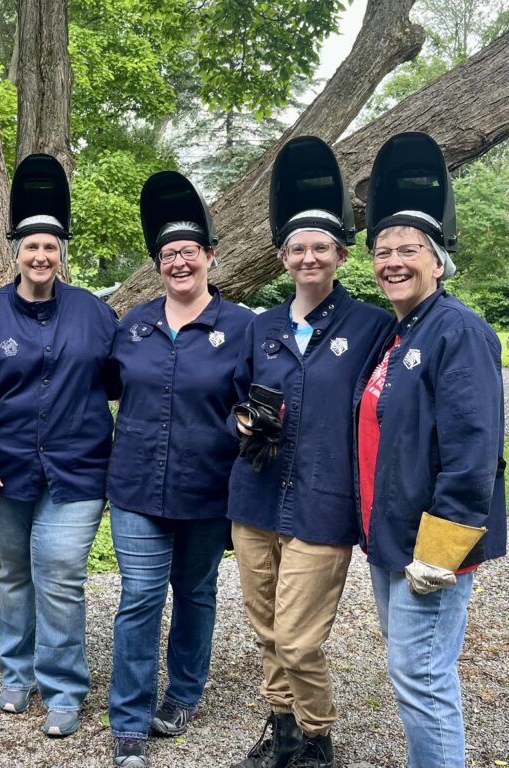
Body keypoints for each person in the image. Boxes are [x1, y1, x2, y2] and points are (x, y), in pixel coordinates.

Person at [227, 136, 392, 768]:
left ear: (342, 255)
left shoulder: (371, 327)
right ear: (282, 257)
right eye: (297, 248)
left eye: (321, 246)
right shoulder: (261, 326)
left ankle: (318, 734)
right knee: (266, 628)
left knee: (298, 640)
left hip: (323, 503)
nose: (308, 256)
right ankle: (283, 733)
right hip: (256, 496)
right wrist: (241, 422)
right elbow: (235, 399)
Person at [0, 153, 119, 738]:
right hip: (5, 473)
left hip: (76, 473)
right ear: (16, 251)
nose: (41, 256)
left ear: (61, 252)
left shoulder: (96, 314)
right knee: (13, 574)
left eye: (51, 246)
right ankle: (15, 675)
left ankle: (65, 685)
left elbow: (128, 382)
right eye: (31, 246)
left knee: (61, 572)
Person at [356, 131, 506, 768]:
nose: (393, 259)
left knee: (421, 677)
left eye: (409, 249)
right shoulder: (398, 332)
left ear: (438, 261)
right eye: (382, 249)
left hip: (432, 546)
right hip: (393, 535)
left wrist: (440, 554)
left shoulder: (458, 330)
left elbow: (475, 450)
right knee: (410, 667)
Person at [108, 173, 255, 768]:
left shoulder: (242, 327)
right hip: (137, 486)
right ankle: (130, 719)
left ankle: (185, 693)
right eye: (168, 255)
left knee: (195, 592)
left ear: (210, 257)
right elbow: (104, 387)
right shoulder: (133, 326)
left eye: (189, 252)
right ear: (158, 265)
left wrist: (243, 422)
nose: (178, 263)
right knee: (140, 595)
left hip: (207, 487)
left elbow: (261, 399)